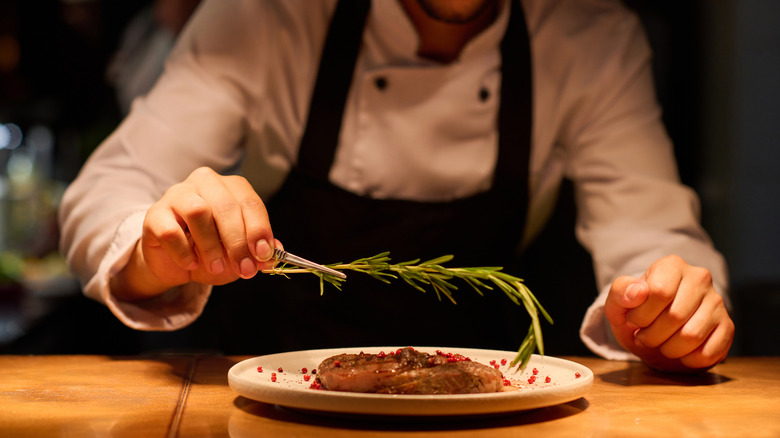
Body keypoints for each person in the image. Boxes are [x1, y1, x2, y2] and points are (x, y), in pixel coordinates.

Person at [59, 0, 734, 373]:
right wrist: (160, 246)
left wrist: (667, 308)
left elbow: (651, 232)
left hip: (495, 409)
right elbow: (108, 191)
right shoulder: (266, 17)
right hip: (273, 402)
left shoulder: (591, 37)